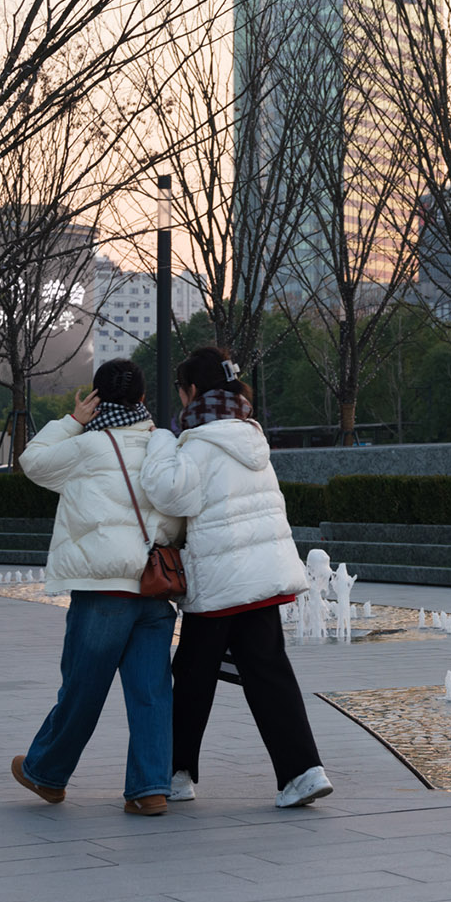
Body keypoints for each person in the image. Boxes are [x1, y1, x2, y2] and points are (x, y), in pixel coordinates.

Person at [139, 346, 331, 810]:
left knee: (190, 677)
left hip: (222, 582)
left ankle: (175, 773)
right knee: (269, 672)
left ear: (190, 392)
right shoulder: (251, 435)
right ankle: (304, 771)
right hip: (262, 579)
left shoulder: (198, 442)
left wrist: (163, 441)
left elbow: (168, 494)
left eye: (182, 393)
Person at [14, 359, 181, 816]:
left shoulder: (86, 446)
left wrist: (71, 421)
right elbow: (175, 515)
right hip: (154, 587)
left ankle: (46, 773)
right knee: (152, 691)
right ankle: (150, 788)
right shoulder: (161, 448)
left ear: (96, 399)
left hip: (103, 589)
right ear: (144, 399)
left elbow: (32, 461)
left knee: (83, 687)